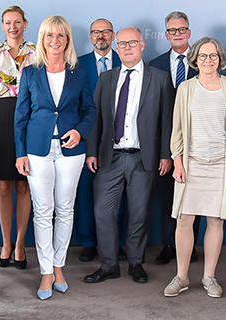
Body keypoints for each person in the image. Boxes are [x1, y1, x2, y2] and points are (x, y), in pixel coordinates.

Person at [83, 27, 174, 285]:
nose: (126, 48)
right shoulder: (107, 79)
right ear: (116, 46)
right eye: (121, 44)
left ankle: (136, 263)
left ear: (142, 45)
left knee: (138, 213)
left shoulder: (159, 78)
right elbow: (96, 118)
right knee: (103, 212)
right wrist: (91, 152)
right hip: (109, 157)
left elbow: (167, 120)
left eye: (132, 43)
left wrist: (166, 155)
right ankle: (109, 264)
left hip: (143, 158)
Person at [14, 15, 96, 300]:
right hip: (38, 150)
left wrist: (80, 132)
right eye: (50, 35)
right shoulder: (30, 72)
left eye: (61, 36)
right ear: (42, 39)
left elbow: (90, 111)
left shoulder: (80, 72)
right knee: (43, 211)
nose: (55, 41)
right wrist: (20, 153)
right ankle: (46, 271)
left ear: (67, 40)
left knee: (65, 209)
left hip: (71, 150)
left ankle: (59, 266)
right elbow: (20, 116)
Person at [164, 36, 226, 298]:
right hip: (191, 165)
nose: (208, 61)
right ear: (195, 60)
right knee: (184, 220)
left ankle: (209, 277)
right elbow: (176, 130)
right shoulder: (186, 88)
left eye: (213, 56)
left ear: (220, 60)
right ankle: (182, 277)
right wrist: (177, 161)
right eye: (203, 56)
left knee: (215, 220)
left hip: (221, 166)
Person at [0, 5, 35, 270]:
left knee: (24, 185)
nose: (12, 26)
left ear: (25, 23)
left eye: (17, 21)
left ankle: (21, 243)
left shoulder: (37, 52)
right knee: (3, 186)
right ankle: (6, 243)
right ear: (2, 25)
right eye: (7, 22)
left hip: (30, 119)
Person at [148, 11, 200, 266]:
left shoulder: (203, 61)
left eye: (182, 29)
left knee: (196, 194)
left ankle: (192, 244)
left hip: (198, 141)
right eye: (172, 30)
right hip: (165, 142)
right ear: (166, 34)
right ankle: (170, 244)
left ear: (189, 33)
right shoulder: (155, 64)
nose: (177, 34)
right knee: (168, 196)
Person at [75, 18, 128, 263]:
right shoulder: (77, 64)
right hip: (86, 137)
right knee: (86, 191)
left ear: (113, 35)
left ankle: (116, 242)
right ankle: (88, 242)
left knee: (118, 193)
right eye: (96, 32)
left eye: (106, 31)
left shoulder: (126, 60)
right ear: (90, 36)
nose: (101, 36)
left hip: (120, 138)